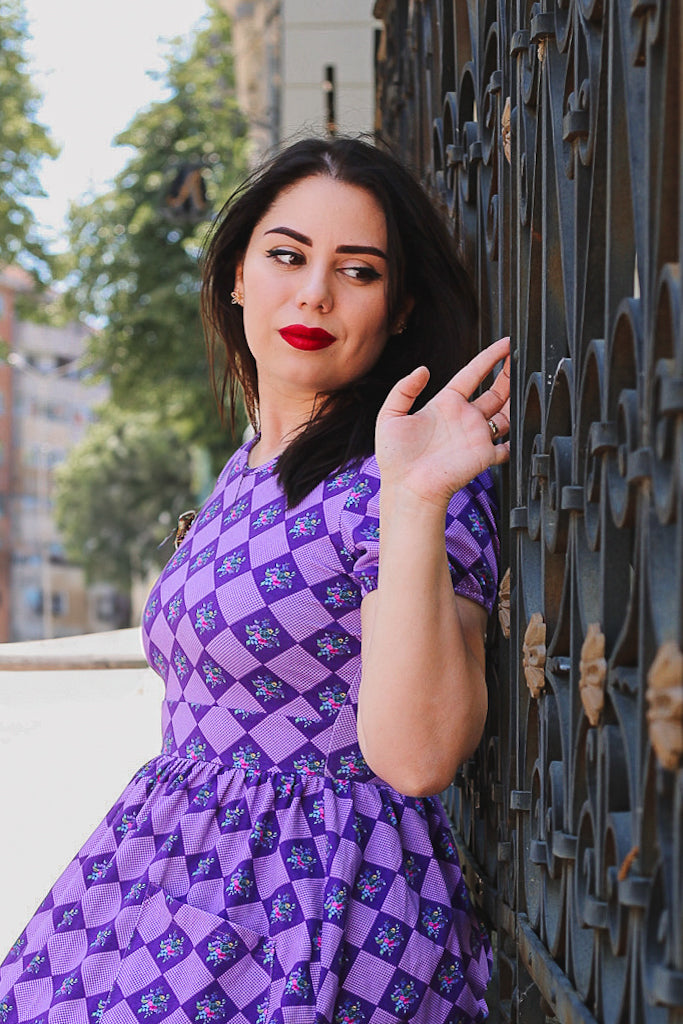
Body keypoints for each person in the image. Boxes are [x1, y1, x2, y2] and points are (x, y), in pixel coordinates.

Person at [0, 136, 510, 1024]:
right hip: (169, 875)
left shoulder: (405, 479)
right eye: (286, 255)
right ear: (237, 274)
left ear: (398, 311)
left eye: (357, 271)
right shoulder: (251, 463)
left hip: (311, 908)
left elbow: (418, 757)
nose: (313, 291)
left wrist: (417, 496)